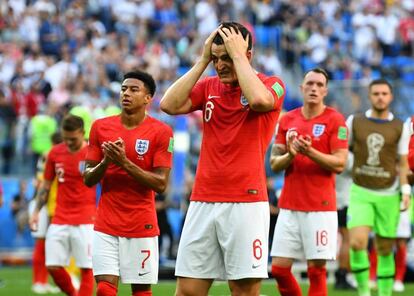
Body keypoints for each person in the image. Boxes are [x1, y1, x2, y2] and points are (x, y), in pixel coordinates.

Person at [160, 22, 285, 296]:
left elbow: (260, 102)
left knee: (243, 292)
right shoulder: (208, 86)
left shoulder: (272, 84)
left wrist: (238, 56)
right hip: (203, 199)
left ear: (246, 55)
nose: (220, 65)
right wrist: (202, 59)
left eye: (226, 57)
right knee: (188, 291)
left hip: (246, 202)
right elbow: (168, 105)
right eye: (216, 58)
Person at [83, 70, 173, 296]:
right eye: (124, 89)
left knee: (141, 291)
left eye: (134, 89)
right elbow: (88, 178)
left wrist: (124, 163)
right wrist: (106, 162)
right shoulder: (100, 127)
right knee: (104, 290)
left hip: (141, 224)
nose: (126, 93)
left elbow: (161, 184)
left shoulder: (161, 132)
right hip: (106, 222)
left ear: (148, 98)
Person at [268, 68, 348, 296]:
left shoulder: (335, 120)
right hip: (289, 206)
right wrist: (291, 154)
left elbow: (339, 163)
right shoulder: (288, 120)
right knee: (279, 269)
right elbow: (274, 163)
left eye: (319, 84)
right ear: (302, 88)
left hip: (320, 208)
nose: (314, 88)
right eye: (310, 84)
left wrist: (310, 152)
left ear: (325, 90)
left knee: (316, 270)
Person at [347, 78, 410, 296]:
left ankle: (384, 294)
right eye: (376, 93)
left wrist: (406, 191)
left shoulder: (401, 126)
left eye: (384, 93)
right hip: (360, 191)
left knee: (385, 250)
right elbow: (343, 151)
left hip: (388, 193)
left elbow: (402, 163)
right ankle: (364, 291)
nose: (380, 97)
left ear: (391, 97)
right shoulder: (354, 121)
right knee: (357, 243)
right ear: (369, 96)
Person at [30, 114, 96, 296]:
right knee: (52, 265)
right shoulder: (54, 152)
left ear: (83, 133)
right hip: (60, 217)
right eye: (65, 138)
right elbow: (46, 184)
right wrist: (36, 211)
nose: (68, 143)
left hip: (86, 219)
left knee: (86, 267)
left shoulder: (94, 152)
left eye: (73, 139)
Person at [334, 152, 355, 290]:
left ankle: (341, 274)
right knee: (347, 239)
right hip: (346, 201)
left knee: (343, 239)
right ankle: (343, 274)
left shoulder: (329, 153)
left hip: (333, 201)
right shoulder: (348, 156)